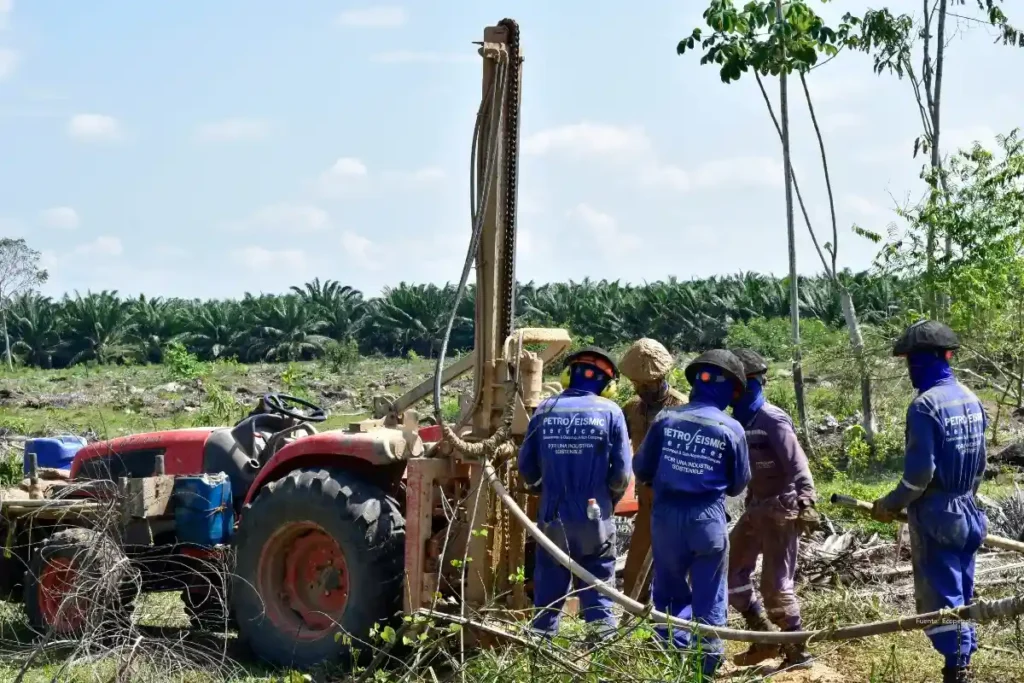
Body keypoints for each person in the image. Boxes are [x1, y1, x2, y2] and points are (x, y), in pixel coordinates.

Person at [871, 320, 987, 683]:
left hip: (937, 515)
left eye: (910, 362)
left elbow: (918, 476)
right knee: (962, 592)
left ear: (922, 361)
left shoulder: (924, 407)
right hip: (969, 511)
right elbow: (980, 465)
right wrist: (963, 498)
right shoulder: (971, 398)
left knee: (942, 599)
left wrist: (890, 503)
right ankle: (962, 662)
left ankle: (958, 671)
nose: (909, 370)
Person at [633, 349, 751, 679]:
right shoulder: (732, 428)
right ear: (731, 390)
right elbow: (738, 484)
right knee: (710, 594)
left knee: (669, 592)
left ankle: (670, 660)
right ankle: (706, 667)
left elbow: (641, 468)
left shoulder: (666, 420)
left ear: (696, 383)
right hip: (707, 520)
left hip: (666, 519)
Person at [517, 346, 632, 641]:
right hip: (595, 516)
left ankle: (540, 660)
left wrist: (544, 489)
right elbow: (621, 474)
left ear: (568, 375)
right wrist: (608, 499)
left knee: (548, 599)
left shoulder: (545, 409)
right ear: (608, 386)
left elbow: (526, 467)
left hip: (552, 515)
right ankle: (601, 661)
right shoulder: (611, 412)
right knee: (599, 594)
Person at [726, 349, 819, 669]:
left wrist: (807, 500)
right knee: (732, 570)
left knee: (775, 584)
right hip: (756, 507)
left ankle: (797, 651)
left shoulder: (771, 418)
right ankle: (763, 636)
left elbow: (797, 462)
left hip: (782, 509)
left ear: (744, 385)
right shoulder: (738, 421)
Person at [618, 338, 688, 601]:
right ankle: (634, 609)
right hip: (645, 494)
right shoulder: (631, 409)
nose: (642, 389)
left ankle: (674, 615)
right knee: (637, 557)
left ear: (662, 378)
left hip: (676, 495)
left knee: (675, 557)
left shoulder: (681, 407)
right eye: (637, 384)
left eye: (647, 384)